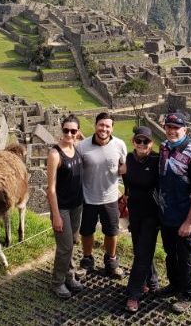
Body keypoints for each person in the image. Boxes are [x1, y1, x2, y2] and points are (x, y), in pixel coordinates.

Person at [155, 112, 191, 313]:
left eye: (176, 128)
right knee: (170, 254)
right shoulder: (164, 147)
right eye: (169, 127)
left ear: (185, 130)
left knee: (187, 256)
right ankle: (174, 285)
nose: (172, 131)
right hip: (167, 213)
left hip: (184, 216)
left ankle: (189, 294)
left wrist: (190, 221)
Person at [76, 112, 127, 278]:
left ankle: (111, 262)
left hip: (110, 197)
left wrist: (127, 192)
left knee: (112, 232)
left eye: (107, 126)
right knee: (86, 231)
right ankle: (87, 261)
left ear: (112, 128)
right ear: (95, 125)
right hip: (88, 197)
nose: (103, 129)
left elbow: (124, 169)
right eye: (101, 125)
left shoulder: (120, 145)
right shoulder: (82, 146)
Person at [46, 115, 86, 299]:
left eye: (73, 131)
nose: (69, 134)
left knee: (73, 243)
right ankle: (57, 282)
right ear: (61, 130)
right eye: (66, 130)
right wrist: (55, 215)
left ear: (78, 132)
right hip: (62, 207)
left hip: (77, 205)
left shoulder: (76, 148)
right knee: (65, 246)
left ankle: (69, 276)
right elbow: (51, 188)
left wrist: (81, 138)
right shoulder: (55, 154)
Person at [123, 125, 161, 313]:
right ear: (134, 142)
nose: (142, 144)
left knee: (142, 252)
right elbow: (125, 178)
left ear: (151, 143)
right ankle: (152, 282)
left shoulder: (156, 160)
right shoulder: (129, 159)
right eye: (139, 140)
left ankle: (134, 294)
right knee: (141, 250)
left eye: (146, 141)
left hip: (152, 214)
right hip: (135, 213)